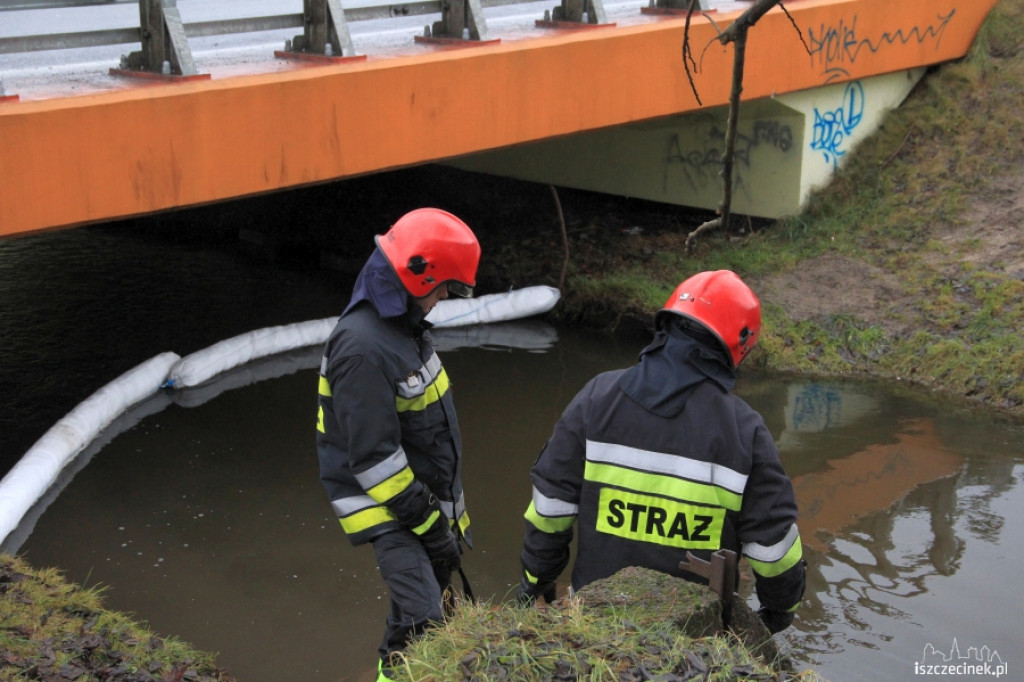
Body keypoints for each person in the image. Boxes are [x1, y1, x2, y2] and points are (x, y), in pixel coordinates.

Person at [517, 270, 805, 634]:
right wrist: (779, 612)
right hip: (694, 634)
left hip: (592, 621)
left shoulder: (596, 399)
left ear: (667, 323)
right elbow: (774, 549)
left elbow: (550, 509)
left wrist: (536, 582)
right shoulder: (745, 431)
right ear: (739, 345)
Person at [315, 208, 481, 681]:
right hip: (389, 507)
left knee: (421, 621)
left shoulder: (402, 327)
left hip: (421, 501)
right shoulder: (363, 349)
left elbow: (430, 432)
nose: (445, 296)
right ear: (418, 274)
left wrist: (443, 520)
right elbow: (375, 462)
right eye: (444, 286)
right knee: (426, 617)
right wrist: (431, 526)